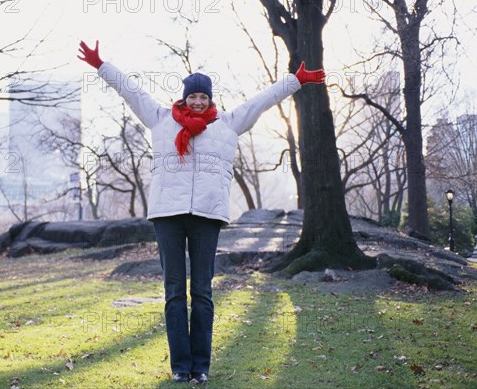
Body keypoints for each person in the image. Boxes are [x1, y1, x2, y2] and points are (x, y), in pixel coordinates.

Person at [77, 40, 325, 384]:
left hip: (207, 216)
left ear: (210, 99)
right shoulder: (161, 120)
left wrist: (294, 81)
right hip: (167, 215)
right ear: (184, 97)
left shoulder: (228, 124)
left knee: (203, 292)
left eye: (203, 97)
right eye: (192, 96)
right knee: (174, 290)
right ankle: (181, 366)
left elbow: (261, 101)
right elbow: (130, 92)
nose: (197, 101)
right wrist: (101, 65)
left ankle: (201, 365)